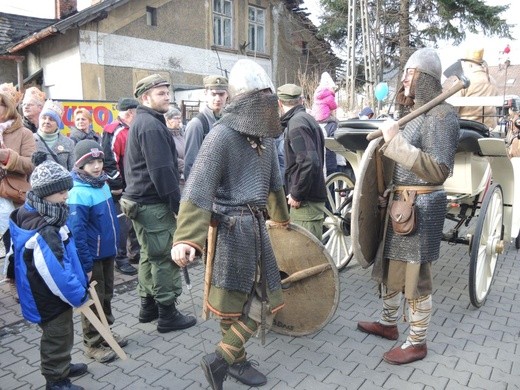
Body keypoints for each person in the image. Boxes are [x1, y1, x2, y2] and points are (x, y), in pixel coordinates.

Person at [171, 58, 290, 390]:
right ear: (248, 100)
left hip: (256, 228)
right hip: (230, 231)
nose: (269, 101)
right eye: (262, 94)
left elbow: (274, 185)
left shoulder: (265, 141)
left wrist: (282, 218)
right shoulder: (220, 136)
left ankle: (221, 359)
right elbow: (198, 189)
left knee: (267, 299)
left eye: (271, 94)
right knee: (231, 304)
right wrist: (186, 238)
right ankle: (234, 361)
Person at [357, 48, 459, 365]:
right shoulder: (414, 115)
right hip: (399, 201)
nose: (403, 79)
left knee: (416, 280)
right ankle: (389, 324)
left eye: (408, 73)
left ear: (424, 78)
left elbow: (440, 169)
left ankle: (417, 341)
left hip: (422, 206)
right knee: (390, 268)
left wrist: (397, 143)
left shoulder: (443, 116)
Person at [120, 74, 196, 333]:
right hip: (152, 204)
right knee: (164, 258)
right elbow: (163, 172)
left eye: (167, 91)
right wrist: (178, 209)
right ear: (145, 97)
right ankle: (167, 314)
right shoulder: (151, 126)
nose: (167, 96)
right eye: (161, 93)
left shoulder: (143, 121)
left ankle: (148, 306)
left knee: (148, 255)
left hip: (139, 201)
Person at [9, 158, 89, 390]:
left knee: (61, 334)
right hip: (48, 296)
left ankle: (63, 364)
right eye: (61, 192)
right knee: (57, 335)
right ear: (45, 193)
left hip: (44, 292)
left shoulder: (40, 211)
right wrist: (78, 294)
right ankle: (56, 380)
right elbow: (56, 273)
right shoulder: (45, 228)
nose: (66, 197)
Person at [67, 139, 125, 363]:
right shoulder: (78, 192)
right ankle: (92, 343)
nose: (97, 166)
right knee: (94, 299)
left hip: (108, 252)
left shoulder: (101, 184)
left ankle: (106, 333)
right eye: (91, 162)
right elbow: (77, 232)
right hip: (92, 256)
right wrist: (86, 264)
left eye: (99, 160)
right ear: (80, 165)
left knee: (107, 295)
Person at [0, 90, 36, 303]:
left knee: (16, 241)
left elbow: (31, 163)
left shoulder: (24, 133)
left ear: (8, 107)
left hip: (16, 195)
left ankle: (16, 280)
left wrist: (8, 157)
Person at [279, 83, 327, 240]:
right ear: (301, 101)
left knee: (308, 258)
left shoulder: (296, 124)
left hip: (306, 203)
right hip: (312, 199)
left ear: (280, 103)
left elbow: (309, 161)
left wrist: (297, 194)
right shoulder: (307, 119)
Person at [101, 97, 139, 276]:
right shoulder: (113, 130)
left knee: (134, 220)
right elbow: (109, 160)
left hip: (134, 185)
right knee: (122, 224)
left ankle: (135, 253)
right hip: (121, 187)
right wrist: (117, 184)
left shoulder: (133, 128)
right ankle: (121, 259)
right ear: (131, 112)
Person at [183, 75, 228, 179]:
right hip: (205, 187)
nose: (218, 98)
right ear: (206, 94)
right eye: (213, 94)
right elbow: (190, 165)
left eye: (221, 94)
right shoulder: (197, 125)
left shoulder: (229, 122)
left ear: (227, 94)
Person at [450, 47, 499, 129]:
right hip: (489, 131)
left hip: (467, 130)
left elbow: (451, 109)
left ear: (470, 64)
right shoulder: (493, 81)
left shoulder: (463, 81)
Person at [34, 100, 75, 171]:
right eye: (44, 118)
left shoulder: (69, 143)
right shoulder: (29, 139)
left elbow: (73, 170)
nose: (47, 122)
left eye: (51, 119)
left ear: (57, 124)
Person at [164, 106, 186, 191]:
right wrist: (186, 166)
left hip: (186, 177)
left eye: (180, 118)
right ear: (167, 119)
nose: (179, 121)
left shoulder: (182, 134)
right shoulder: (166, 136)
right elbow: (171, 157)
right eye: (176, 118)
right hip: (177, 178)